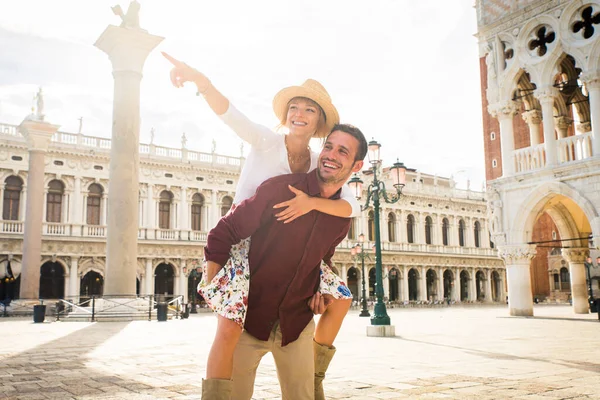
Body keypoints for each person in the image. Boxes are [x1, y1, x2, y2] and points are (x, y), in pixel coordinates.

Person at [163, 53, 360, 399]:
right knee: (227, 329)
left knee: (341, 298)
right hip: (243, 238)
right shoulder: (266, 141)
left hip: (295, 240)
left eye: (309, 110)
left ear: (319, 125)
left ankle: (314, 374)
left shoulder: (321, 160)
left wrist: (311, 202)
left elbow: (349, 206)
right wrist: (201, 82)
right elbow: (230, 114)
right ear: (285, 115)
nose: (299, 115)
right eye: (294, 108)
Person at [205, 124, 367, 399]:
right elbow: (222, 234)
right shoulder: (281, 189)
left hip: (296, 323)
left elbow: (322, 258)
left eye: (343, 151)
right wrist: (214, 291)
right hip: (248, 321)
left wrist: (320, 291)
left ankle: (315, 380)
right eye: (328, 146)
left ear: (356, 165)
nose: (331, 154)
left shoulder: (341, 217)